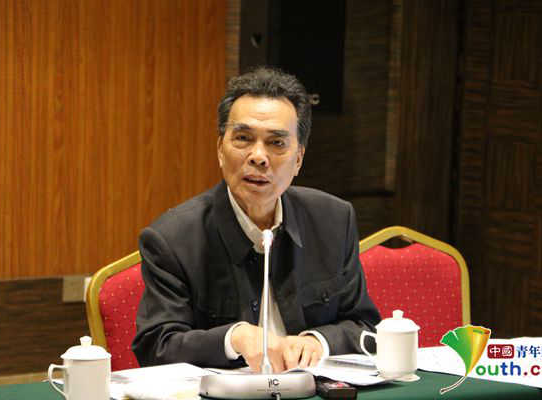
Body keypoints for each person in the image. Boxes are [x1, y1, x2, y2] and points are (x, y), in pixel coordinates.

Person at [132, 67, 380, 373]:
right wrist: (232, 338)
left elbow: (366, 327)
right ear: (220, 150)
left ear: (298, 159)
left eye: (276, 143)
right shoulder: (173, 238)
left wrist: (319, 341)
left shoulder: (333, 221)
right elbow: (155, 347)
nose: (258, 156)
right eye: (243, 138)